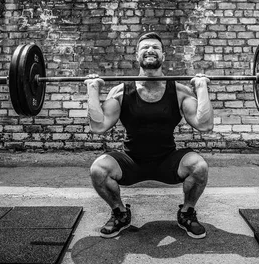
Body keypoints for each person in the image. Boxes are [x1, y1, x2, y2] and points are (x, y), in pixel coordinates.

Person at [84, 32, 214, 239]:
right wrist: (92, 90)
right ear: (137, 56)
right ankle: (120, 212)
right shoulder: (120, 91)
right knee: (98, 169)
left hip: (167, 161)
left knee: (199, 167)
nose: (150, 50)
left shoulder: (179, 91)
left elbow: (204, 125)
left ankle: (187, 212)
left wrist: (201, 88)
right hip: (131, 161)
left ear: (163, 55)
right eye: (145, 48)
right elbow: (99, 127)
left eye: (155, 47)